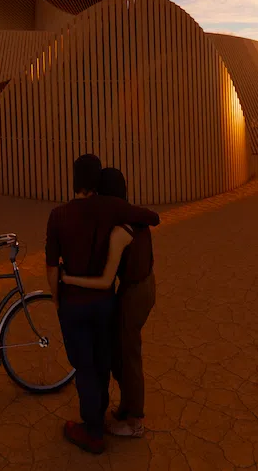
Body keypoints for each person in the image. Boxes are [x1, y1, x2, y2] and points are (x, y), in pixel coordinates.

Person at [46, 155, 161, 454]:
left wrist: (61, 290)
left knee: (102, 361)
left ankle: (108, 426)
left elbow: (57, 267)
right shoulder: (118, 213)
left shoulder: (62, 216)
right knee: (107, 357)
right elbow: (152, 216)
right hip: (117, 298)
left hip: (91, 300)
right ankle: (118, 410)